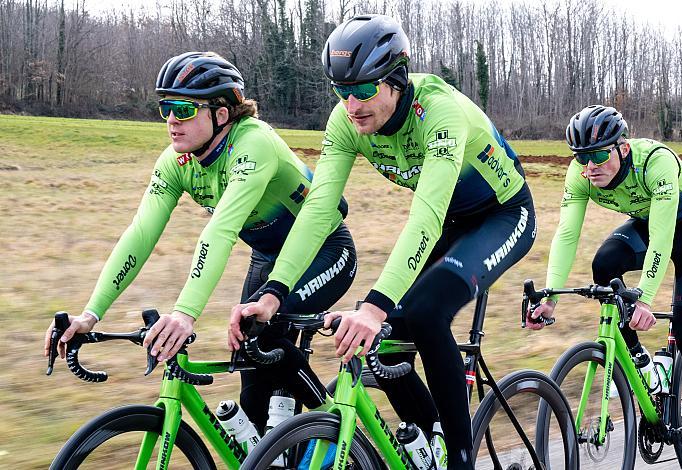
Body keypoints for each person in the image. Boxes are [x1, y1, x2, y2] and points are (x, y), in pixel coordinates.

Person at [229, 15, 537, 468]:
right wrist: (274, 293)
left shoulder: (439, 111)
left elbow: (425, 216)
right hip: (451, 221)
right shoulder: (345, 122)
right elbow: (318, 211)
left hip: (504, 214)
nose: (353, 105)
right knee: (381, 344)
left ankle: (460, 457)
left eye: (365, 90)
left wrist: (373, 306)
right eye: (342, 91)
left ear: (395, 79)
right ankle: (427, 439)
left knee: (426, 311)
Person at [43, 51, 358, 431]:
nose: (172, 120)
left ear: (221, 114)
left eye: (184, 109)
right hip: (268, 257)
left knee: (267, 330)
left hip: (326, 251)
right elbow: (140, 235)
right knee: (249, 368)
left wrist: (184, 313)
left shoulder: (253, 143)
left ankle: (342, 430)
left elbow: (220, 230)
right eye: (166, 108)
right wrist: (91, 314)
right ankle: (274, 447)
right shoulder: (177, 162)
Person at [528, 104, 682, 467]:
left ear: (622, 148)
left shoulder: (656, 162)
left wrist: (645, 297)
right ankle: (641, 362)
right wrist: (549, 297)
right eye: (581, 157)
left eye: (597, 155)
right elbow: (567, 234)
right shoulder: (581, 174)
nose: (590, 166)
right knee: (604, 265)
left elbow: (661, 237)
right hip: (650, 220)